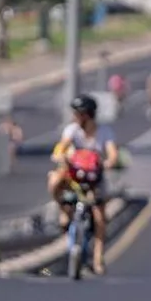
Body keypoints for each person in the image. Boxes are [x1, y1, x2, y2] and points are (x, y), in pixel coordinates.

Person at [49, 94, 119, 274]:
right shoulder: (72, 130)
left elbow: (112, 154)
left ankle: (97, 259)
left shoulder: (104, 132)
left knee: (99, 218)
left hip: (94, 179)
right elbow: (61, 147)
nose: (75, 118)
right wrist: (60, 156)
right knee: (54, 180)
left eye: (78, 114)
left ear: (87, 115)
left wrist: (108, 162)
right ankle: (64, 211)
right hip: (75, 177)